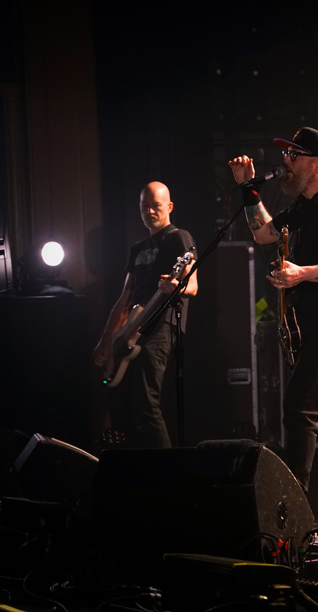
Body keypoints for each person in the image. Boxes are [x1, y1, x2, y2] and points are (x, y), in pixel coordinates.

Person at [229, 127, 318, 540]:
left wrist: (300, 274)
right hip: (312, 326)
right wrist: (247, 191)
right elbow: (264, 234)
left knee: (299, 406)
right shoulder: (302, 207)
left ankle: (295, 520)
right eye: (288, 154)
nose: (287, 161)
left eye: (295, 154)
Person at [93, 182, 198, 448]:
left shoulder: (179, 237)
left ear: (169, 207)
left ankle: (169, 472)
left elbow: (193, 285)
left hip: (160, 325)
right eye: (145, 206)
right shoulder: (137, 249)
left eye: (156, 206)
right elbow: (125, 297)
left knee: (146, 401)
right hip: (131, 329)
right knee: (128, 405)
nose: (150, 211)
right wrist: (107, 339)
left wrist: (175, 287)